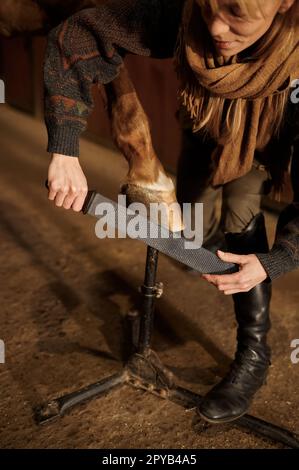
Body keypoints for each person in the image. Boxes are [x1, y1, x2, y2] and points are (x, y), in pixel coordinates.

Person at [43, 0, 299, 423]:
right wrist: (65, 147)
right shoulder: (187, 17)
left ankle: (254, 351)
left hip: (261, 141)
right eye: (210, 6)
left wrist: (276, 259)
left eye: (237, 13)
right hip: (203, 121)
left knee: (239, 214)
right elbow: (79, 34)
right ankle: (212, 250)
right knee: (195, 228)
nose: (216, 27)